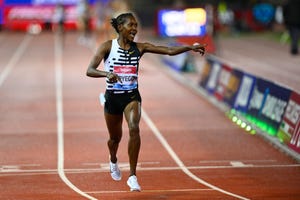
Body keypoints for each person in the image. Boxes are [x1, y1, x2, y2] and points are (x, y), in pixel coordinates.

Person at [86, 13, 206, 192]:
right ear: (120, 27)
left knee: (134, 128)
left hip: (132, 97)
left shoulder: (140, 48)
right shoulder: (106, 47)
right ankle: (113, 160)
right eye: (131, 25)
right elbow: (89, 70)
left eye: (136, 25)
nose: (135, 29)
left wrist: (190, 47)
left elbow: (168, 50)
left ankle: (133, 176)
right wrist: (107, 74)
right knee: (114, 139)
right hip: (113, 97)